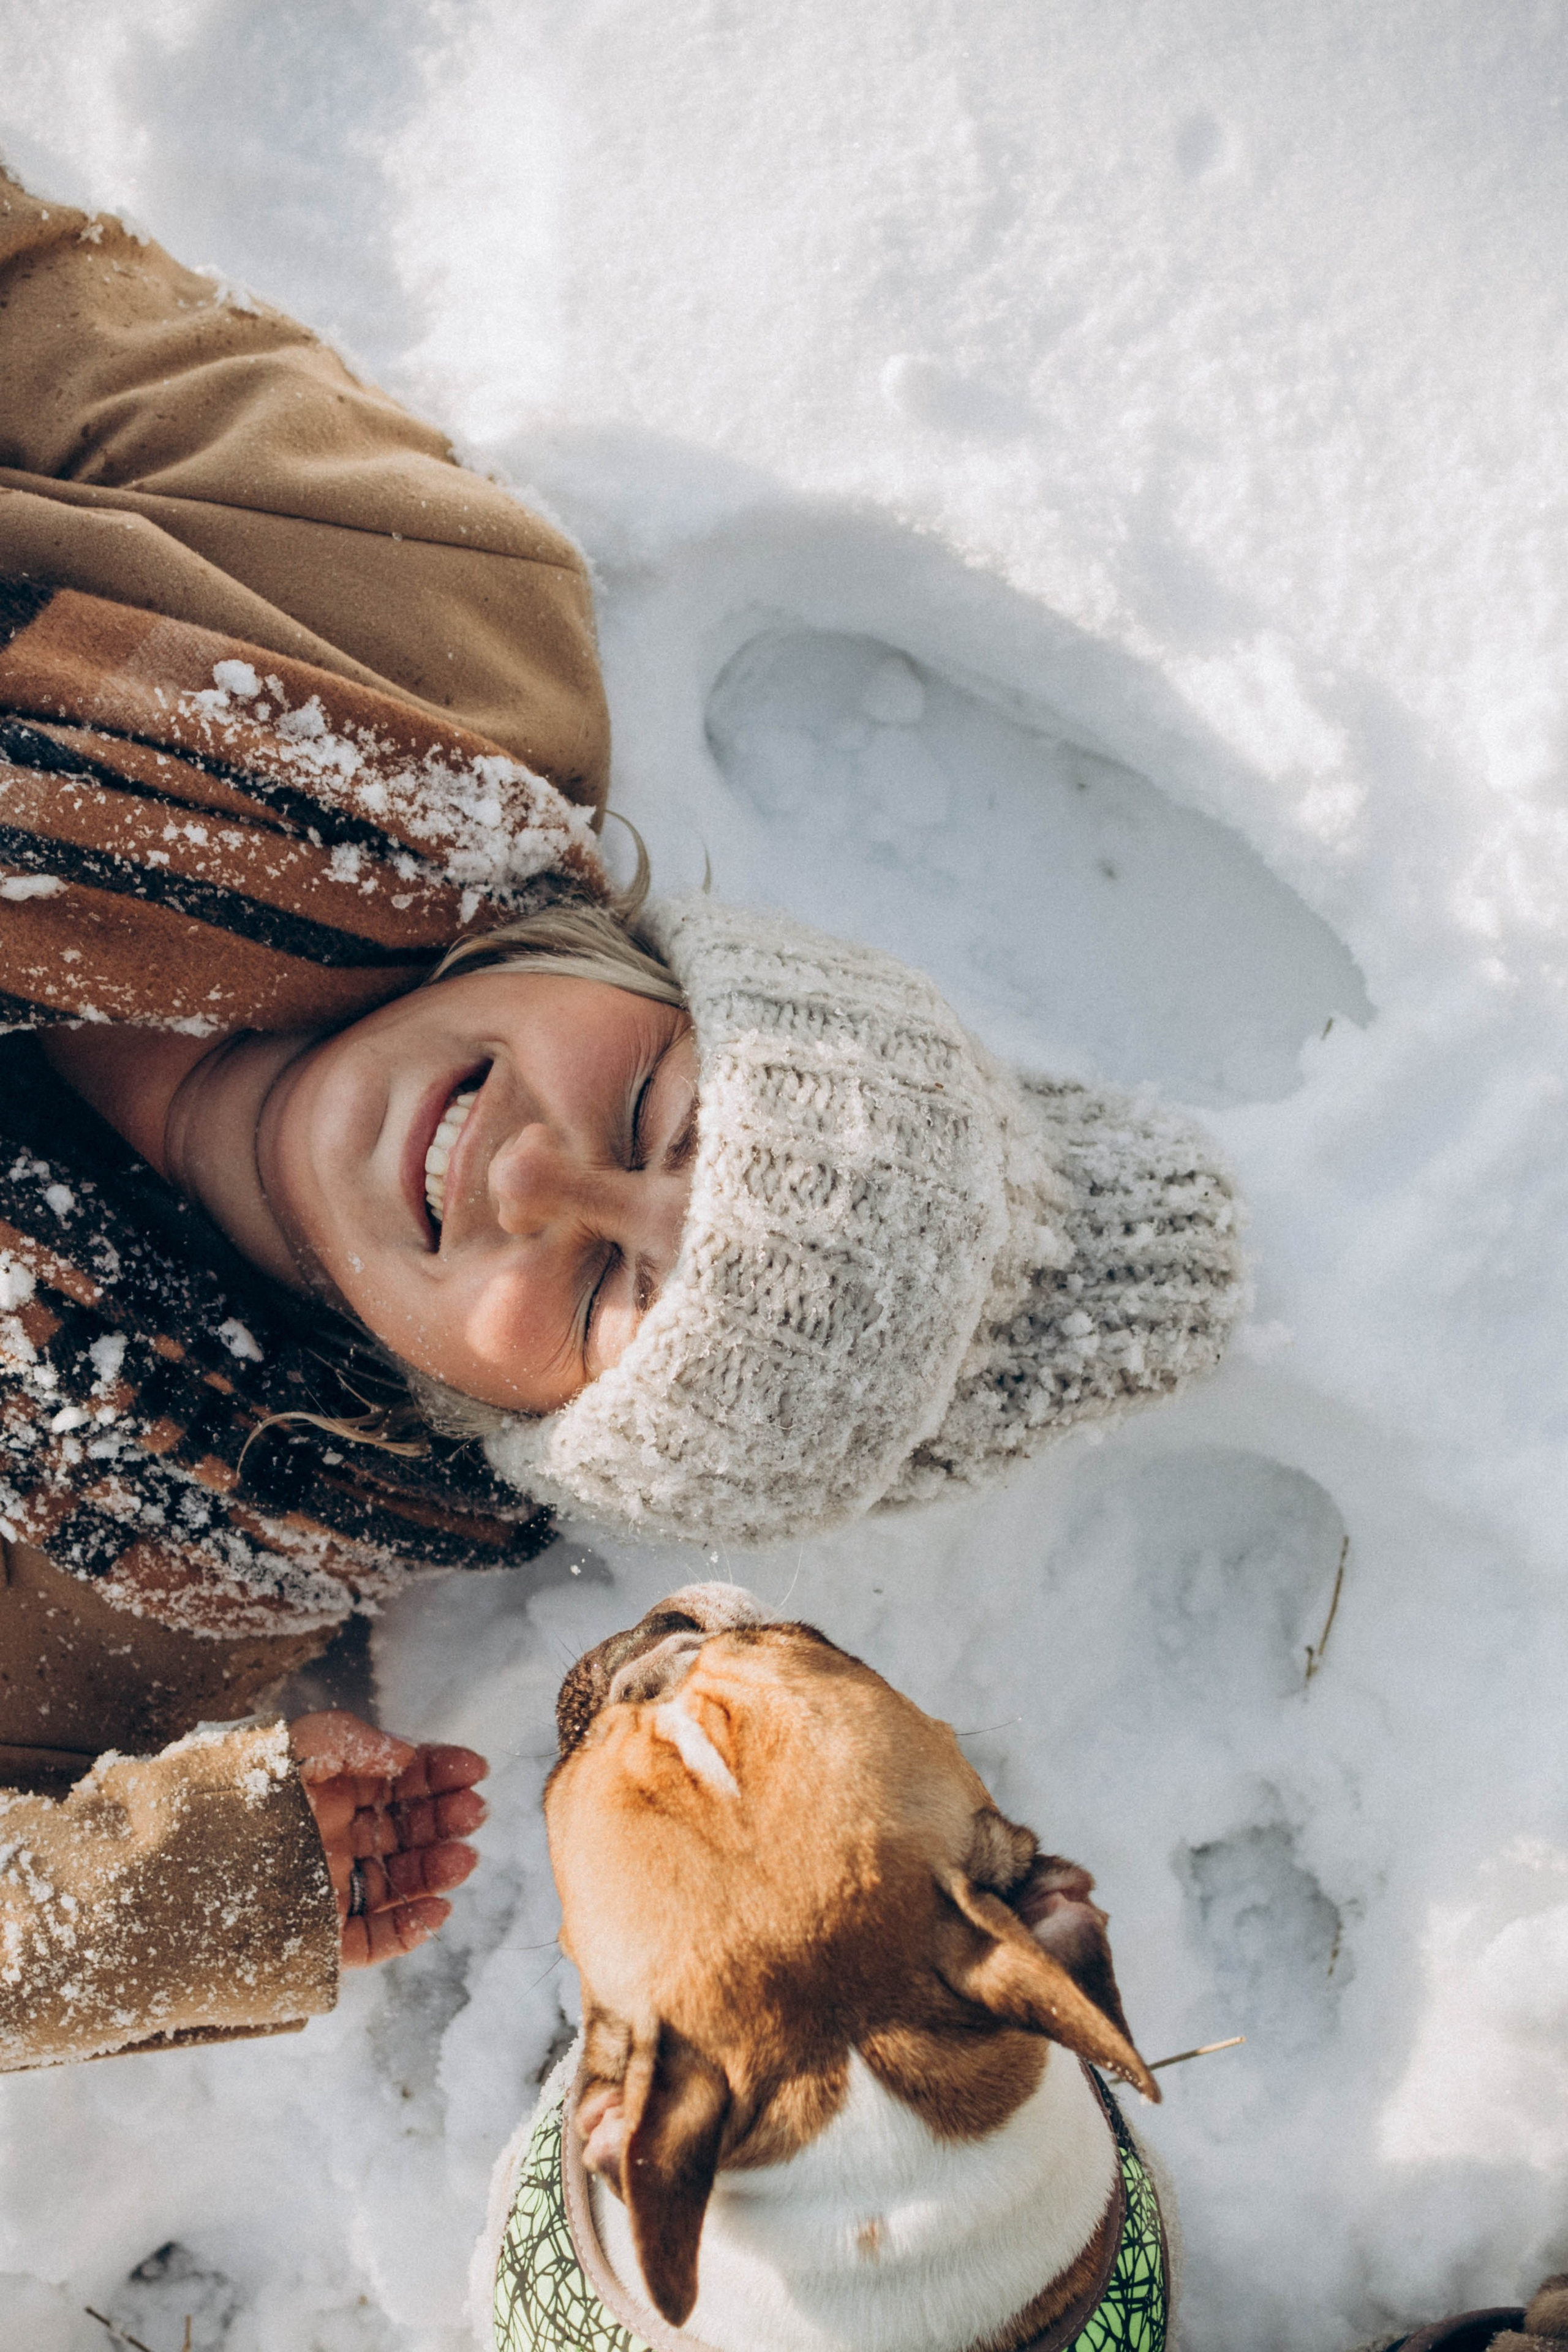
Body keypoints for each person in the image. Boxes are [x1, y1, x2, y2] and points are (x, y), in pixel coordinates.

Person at [0, 165, 1245, 2068]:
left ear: (522, 1425)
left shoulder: (169, 1562)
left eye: (602, 1298)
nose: (534, 1174)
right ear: (662, 980)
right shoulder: (419, 658)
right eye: (657, 1111)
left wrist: (140, 1905)